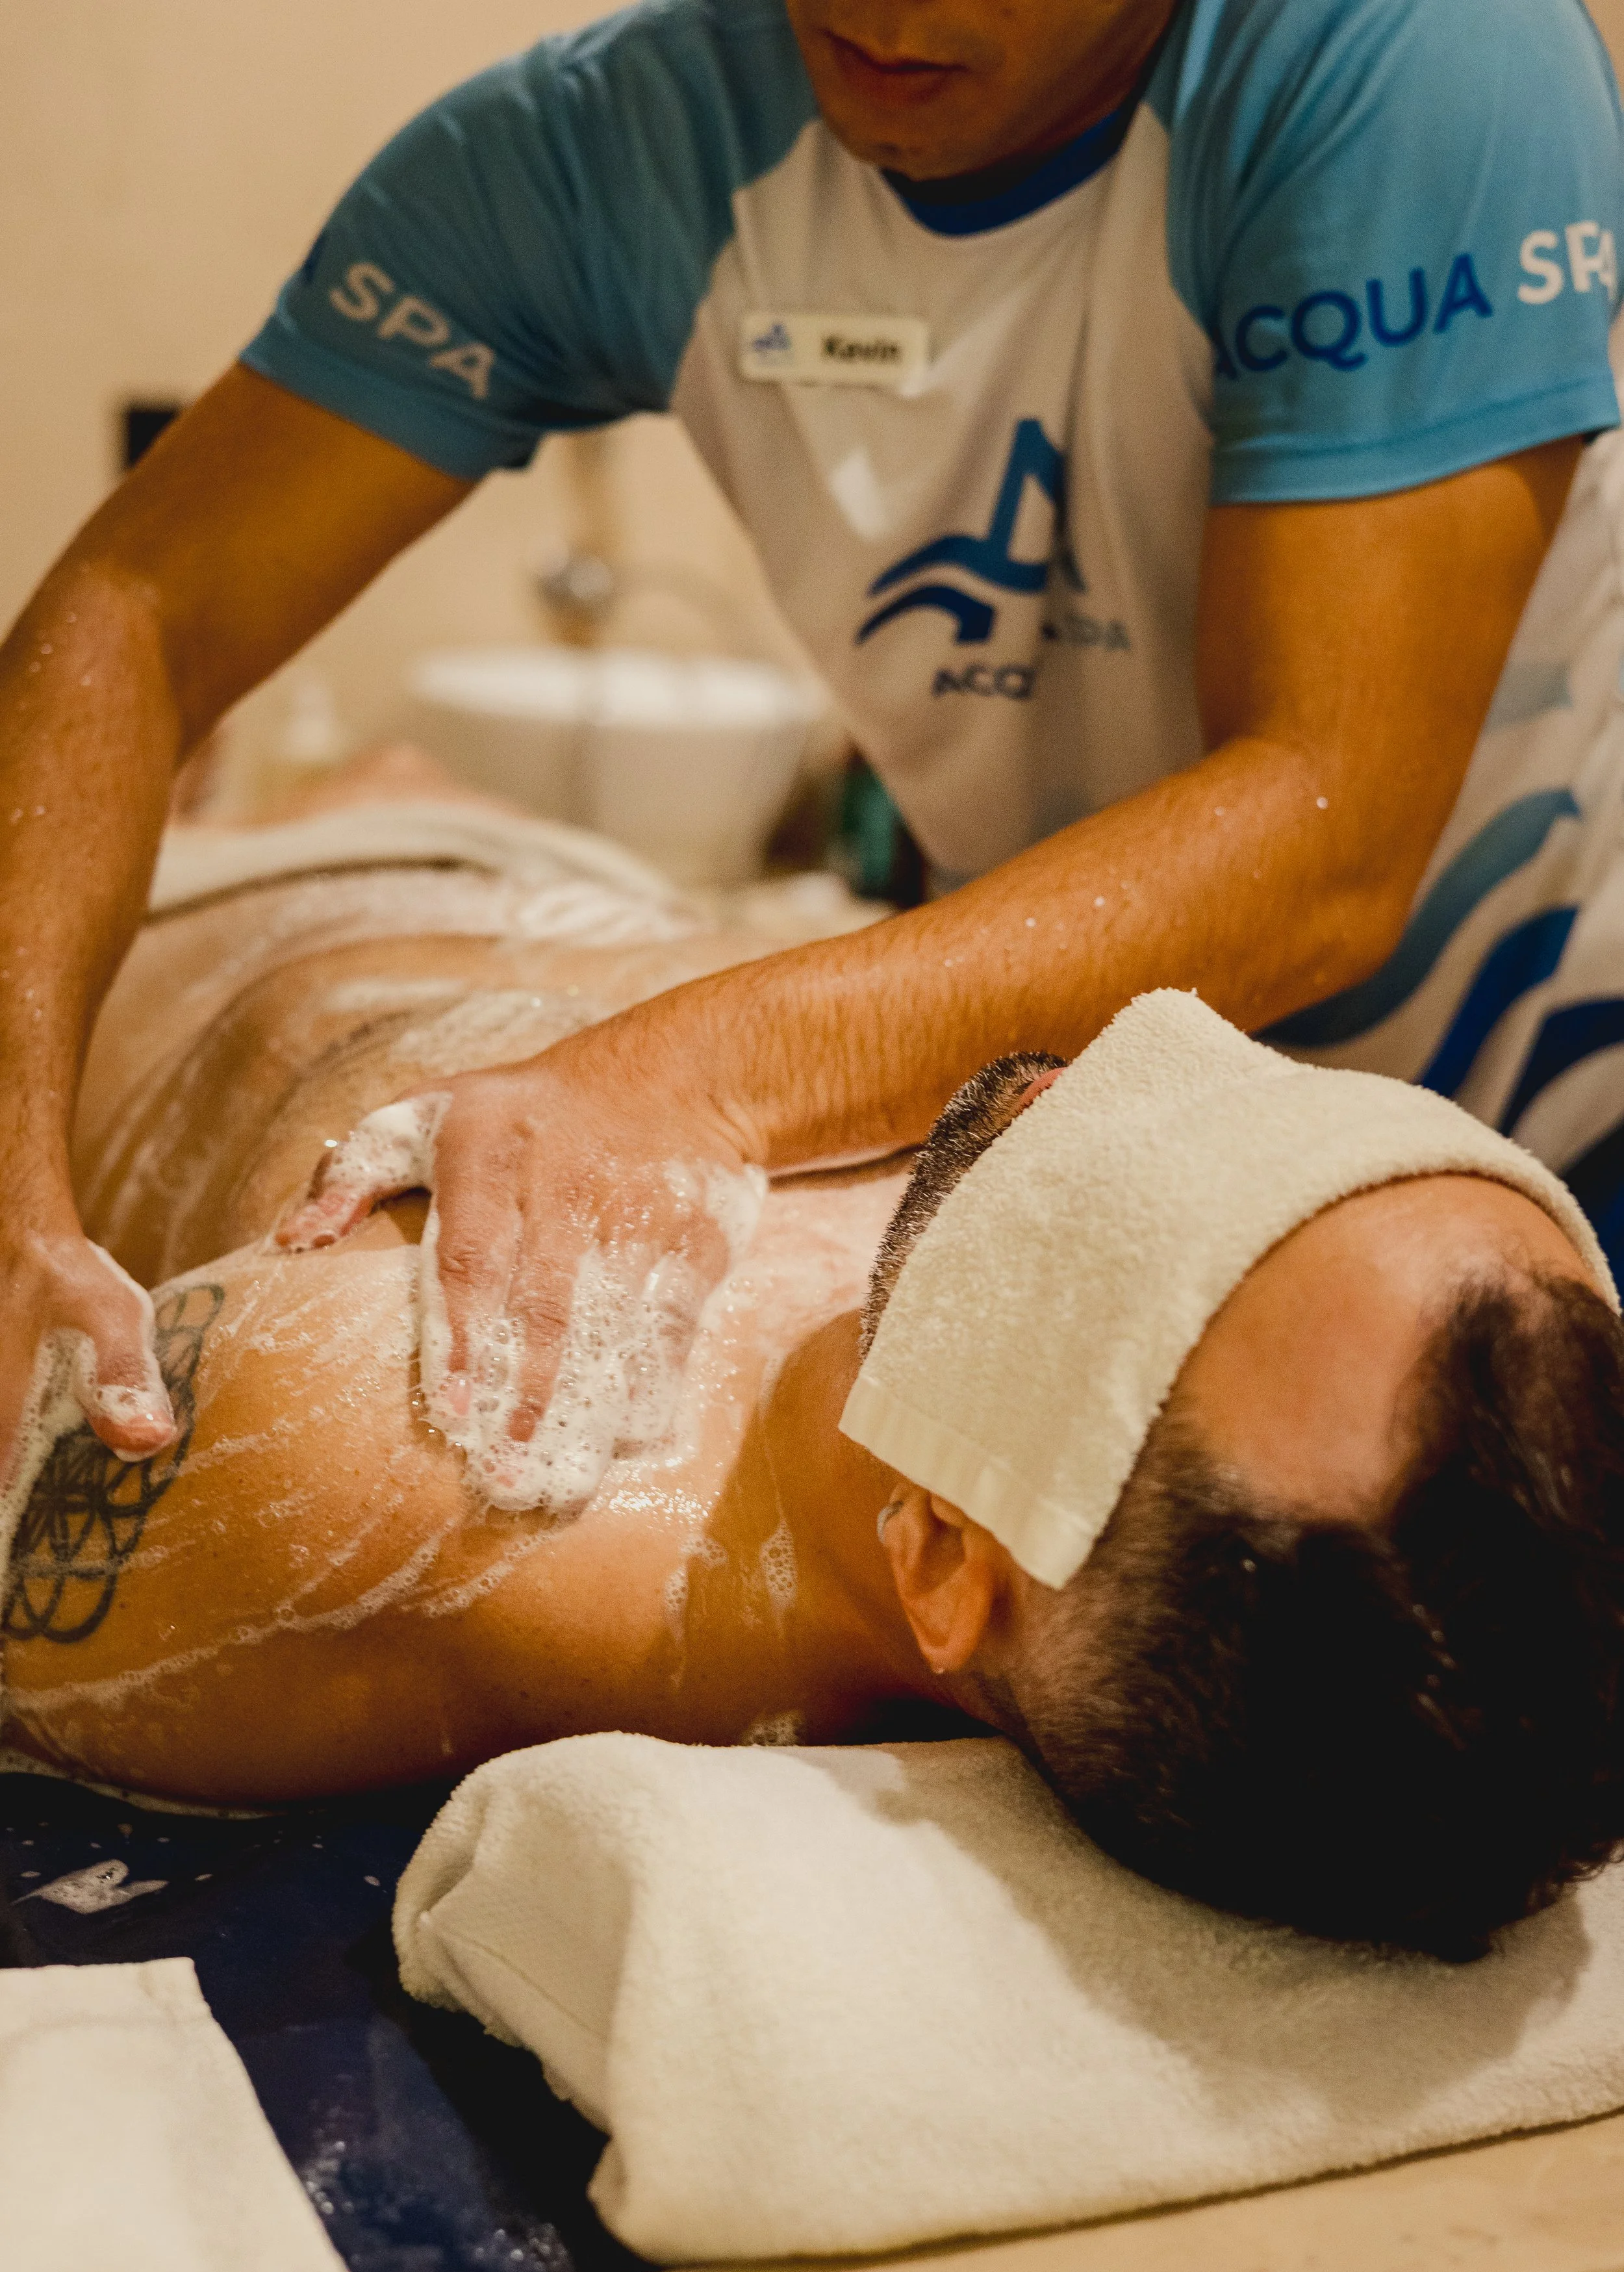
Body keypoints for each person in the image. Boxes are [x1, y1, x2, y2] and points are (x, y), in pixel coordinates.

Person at [5, 0, 1624, 1519]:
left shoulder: (1415, 60)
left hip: (1555, 1113)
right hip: (1088, 1106)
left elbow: (1322, 836)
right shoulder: (611, 145)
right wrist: (13, 1190)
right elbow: (135, 607)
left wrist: (691, 1072)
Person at [5, 775, 1623, 1965]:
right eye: (1297, 1126)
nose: (1088, 1076)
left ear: (942, 1560)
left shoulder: (391, 1458)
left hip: (145, 894)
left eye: (1119, 1225)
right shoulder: (1140, 1408)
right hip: (516, 836)